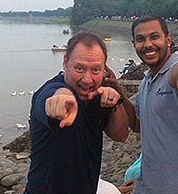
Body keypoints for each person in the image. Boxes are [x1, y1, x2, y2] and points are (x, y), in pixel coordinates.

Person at [111, 15, 178, 193]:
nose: (148, 44)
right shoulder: (146, 82)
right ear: (133, 43)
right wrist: (116, 88)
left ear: (168, 40)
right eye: (141, 39)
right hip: (150, 185)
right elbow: (137, 125)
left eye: (154, 37)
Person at [24, 32, 129, 194]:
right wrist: (61, 98)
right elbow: (53, 98)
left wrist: (116, 98)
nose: (87, 79)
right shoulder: (48, 91)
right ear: (65, 63)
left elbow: (120, 135)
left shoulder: (97, 97)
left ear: (104, 69)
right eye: (79, 68)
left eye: (95, 70)